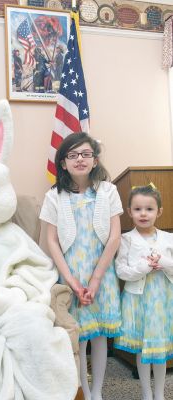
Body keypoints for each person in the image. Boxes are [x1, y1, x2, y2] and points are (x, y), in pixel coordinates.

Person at [40, 132, 123, 400]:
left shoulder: (108, 191)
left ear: (95, 160)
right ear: (63, 163)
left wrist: (96, 279)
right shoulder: (54, 196)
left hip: (101, 272)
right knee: (78, 336)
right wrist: (73, 283)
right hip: (71, 274)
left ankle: (97, 391)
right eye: (72, 155)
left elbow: (114, 237)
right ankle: (83, 390)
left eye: (85, 154)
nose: (79, 159)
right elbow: (52, 241)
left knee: (99, 334)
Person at [114, 184, 173, 400]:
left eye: (149, 209)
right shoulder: (125, 239)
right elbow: (121, 270)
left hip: (161, 301)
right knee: (142, 348)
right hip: (137, 301)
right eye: (137, 209)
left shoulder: (169, 239)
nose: (143, 214)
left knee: (159, 349)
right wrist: (143, 268)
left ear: (159, 211)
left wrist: (163, 263)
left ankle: (159, 394)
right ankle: (146, 393)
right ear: (129, 212)